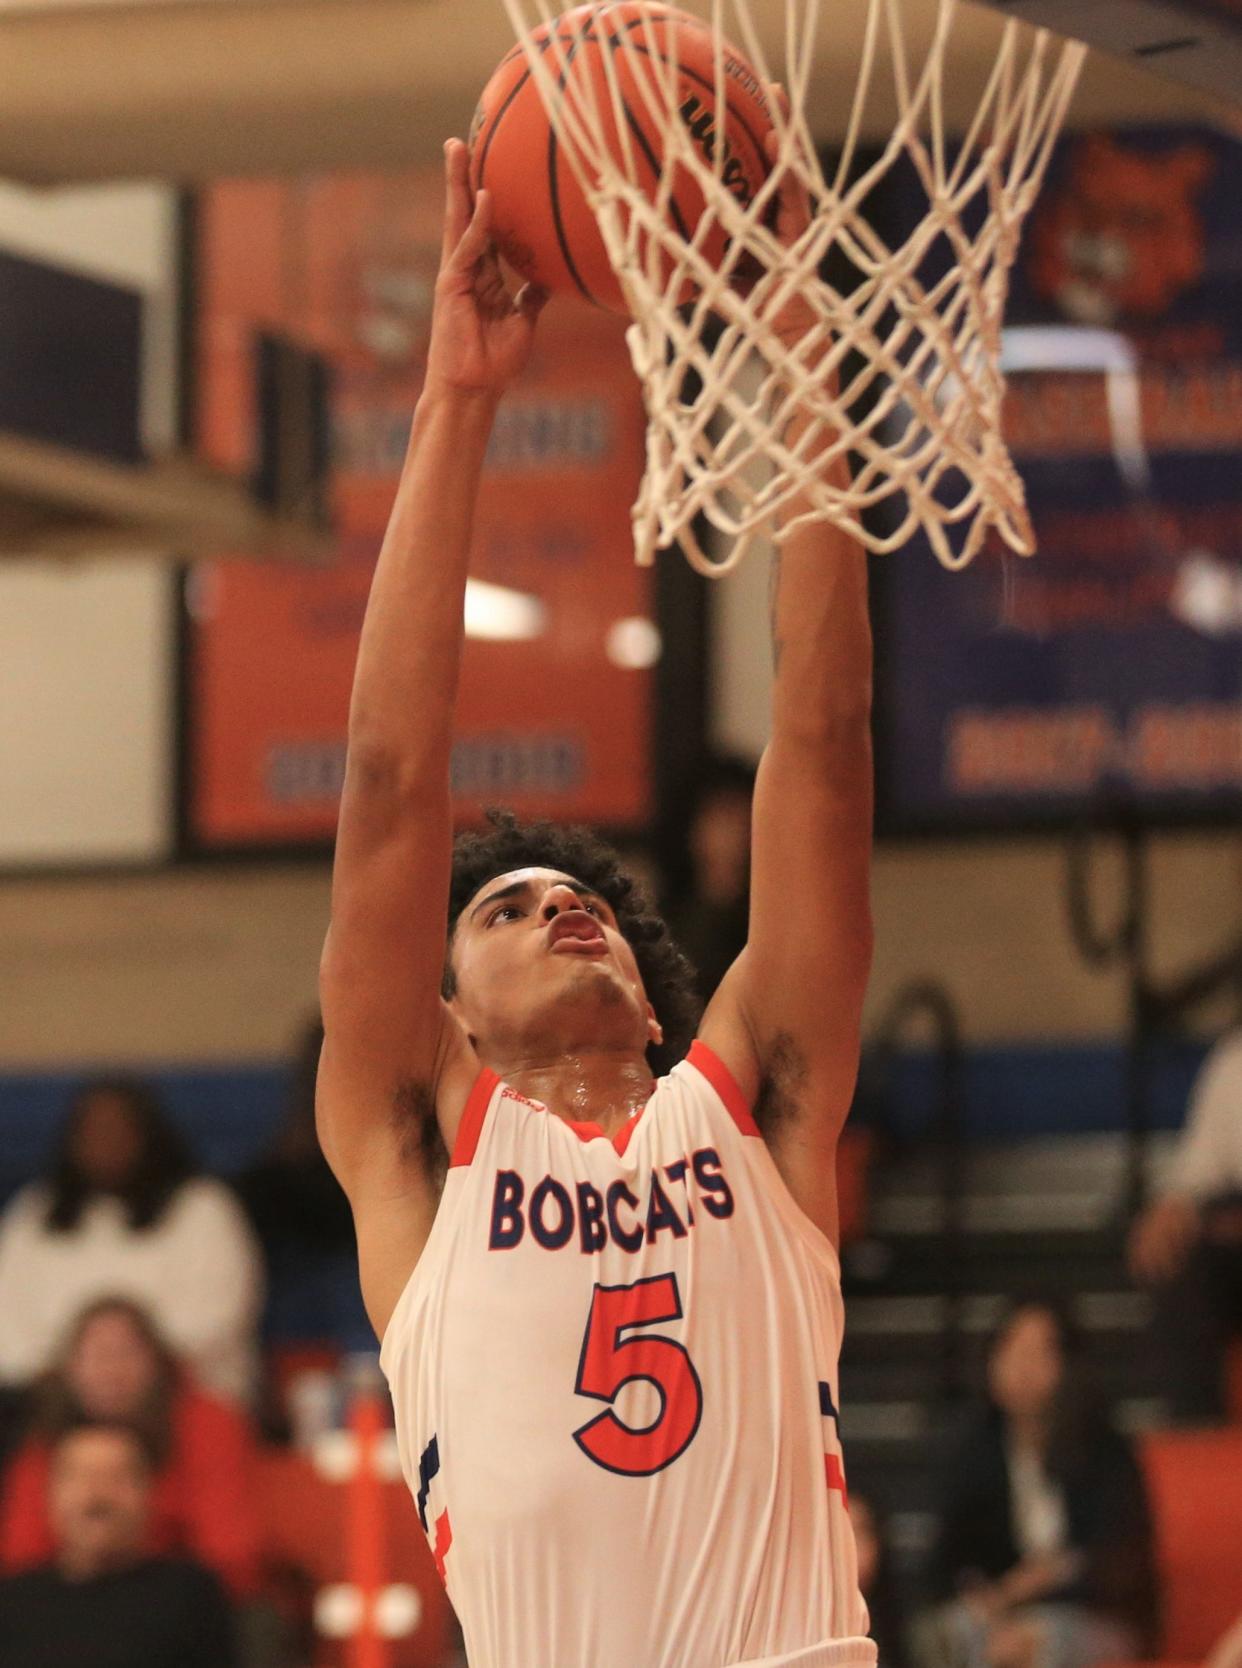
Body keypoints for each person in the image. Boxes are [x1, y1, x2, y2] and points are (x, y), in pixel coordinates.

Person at [316, 131, 874, 1668]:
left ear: (644, 976)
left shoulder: (755, 1104)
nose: (564, 913)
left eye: (587, 907)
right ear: (446, 1013)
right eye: (505, 913)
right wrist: (459, 395)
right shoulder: (416, 1142)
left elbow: (820, 749)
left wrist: (803, 360)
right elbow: (381, 789)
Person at [914, 1300, 1157, 1668]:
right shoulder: (973, 1450)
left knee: (1036, 1643)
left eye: (1038, 1352)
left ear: (1068, 1363)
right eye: (1010, 1349)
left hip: (1091, 1614)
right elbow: (945, 1560)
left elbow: (1118, 1563)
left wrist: (1034, 1588)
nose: (1021, 1366)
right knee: (949, 1635)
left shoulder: (1105, 1451)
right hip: (996, 1614)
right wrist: (986, 1600)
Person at [0, 1076, 263, 1406]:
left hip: (180, 1399)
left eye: (118, 1128)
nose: (105, 1141)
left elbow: (216, 1319)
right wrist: (76, 1378)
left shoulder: (203, 1207)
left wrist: (124, 1374)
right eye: (92, 1130)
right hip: (54, 1404)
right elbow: (7, 1326)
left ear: (148, 1135)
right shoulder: (34, 1212)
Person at [1, 1296, 261, 1600]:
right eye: (95, 1354)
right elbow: (20, 1556)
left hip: (180, 1603)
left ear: (156, 1362)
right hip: (65, 1604)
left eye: (125, 1352)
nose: (110, 1369)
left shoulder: (207, 1425)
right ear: (69, 1367)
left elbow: (232, 1554)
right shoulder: (45, 1436)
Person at [0, 1418, 237, 1668]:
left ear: (148, 1493)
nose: (97, 1495)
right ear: (50, 1494)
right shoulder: (12, 1602)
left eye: (118, 1477)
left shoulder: (190, 1595)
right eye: (79, 1476)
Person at [1128, 1027, 1242, 1422]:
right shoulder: (1234, 1060)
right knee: (1177, 1255)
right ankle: (1196, 1441)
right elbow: (1195, 1178)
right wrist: (1172, 1213)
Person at [669, 755, 757, 1005]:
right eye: (724, 815)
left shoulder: (774, 924)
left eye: (745, 816)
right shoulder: (664, 921)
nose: (736, 830)